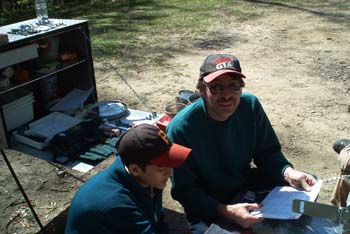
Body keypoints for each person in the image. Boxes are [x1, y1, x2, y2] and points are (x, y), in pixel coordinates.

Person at [166, 53, 317, 233]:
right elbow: (184, 190)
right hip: (208, 203)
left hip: (244, 183)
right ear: (201, 90)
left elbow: (267, 152)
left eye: (234, 86)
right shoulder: (181, 128)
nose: (227, 95)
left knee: (306, 184)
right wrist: (226, 210)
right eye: (216, 88)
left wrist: (287, 172)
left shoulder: (250, 106)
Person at [65, 124, 192, 234]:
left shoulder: (147, 176)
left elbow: (157, 220)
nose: (169, 173)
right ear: (135, 170)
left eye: (169, 164)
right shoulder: (117, 204)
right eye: (161, 167)